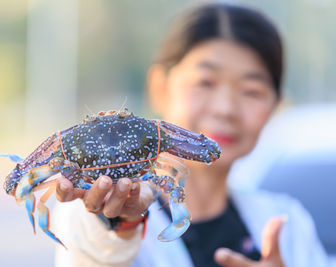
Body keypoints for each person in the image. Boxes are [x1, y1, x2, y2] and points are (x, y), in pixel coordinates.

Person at [52, 3, 330, 267]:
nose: (226, 109)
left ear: (275, 106)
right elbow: (95, 254)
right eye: (205, 83)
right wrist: (121, 222)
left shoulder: (288, 223)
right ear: (160, 87)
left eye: (252, 91)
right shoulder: (87, 212)